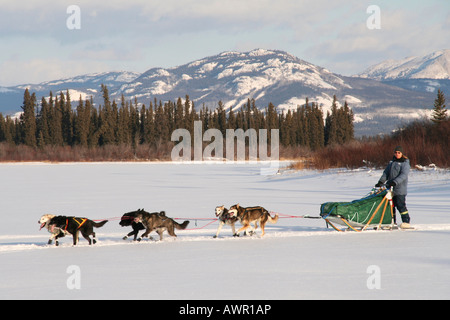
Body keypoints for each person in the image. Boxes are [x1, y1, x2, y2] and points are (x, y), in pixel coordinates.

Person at [375, 146, 411, 229]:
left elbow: (403, 175)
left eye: (399, 153)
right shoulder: (392, 162)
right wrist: (381, 182)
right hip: (390, 188)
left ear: (402, 153)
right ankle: (391, 222)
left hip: (400, 189)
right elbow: (386, 173)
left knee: (400, 205)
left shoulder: (405, 163)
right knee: (390, 206)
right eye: (396, 152)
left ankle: (406, 221)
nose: (397, 154)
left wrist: (395, 182)